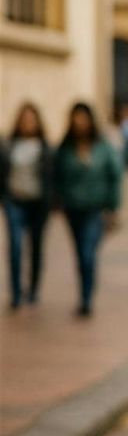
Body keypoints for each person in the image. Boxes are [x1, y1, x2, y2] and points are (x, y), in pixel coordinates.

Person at [55, 102, 123, 317]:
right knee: (80, 253)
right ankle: (84, 291)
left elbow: (115, 176)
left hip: (95, 209)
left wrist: (113, 207)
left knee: (87, 253)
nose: (79, 122)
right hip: (73, 208)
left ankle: (86, 298)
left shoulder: (103, 147)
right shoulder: (65, 148)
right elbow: (58, 176)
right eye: (76, 118)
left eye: (83, 118)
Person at [1, 103, 54, 309]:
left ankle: (33, 288)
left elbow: (51, 177)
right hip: (14, 201)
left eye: (31, 119)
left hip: (38, 203)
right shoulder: (8, 146)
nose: (27, 123)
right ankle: (15, 292)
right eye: (24, 119)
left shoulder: (45, 148)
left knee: (36, 246)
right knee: (15, 246)